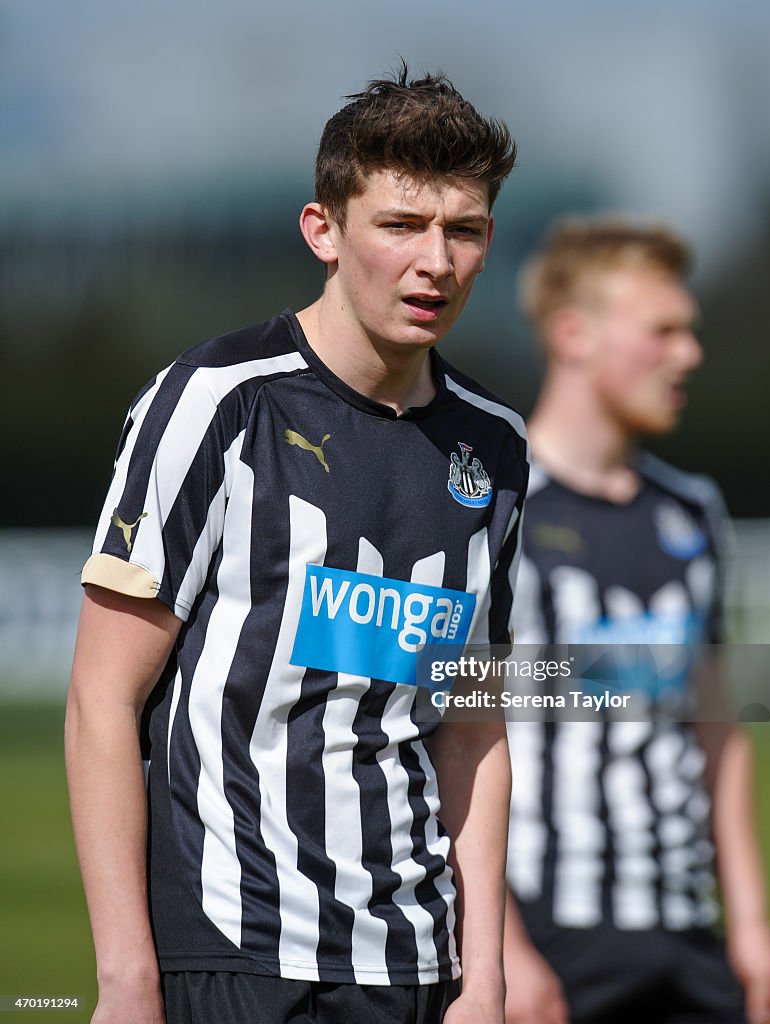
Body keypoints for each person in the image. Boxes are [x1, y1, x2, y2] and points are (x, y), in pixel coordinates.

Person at [65, 66, 528, 1024]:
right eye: (401, 225)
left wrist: (483, 973)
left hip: (417, 966)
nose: (434, 261)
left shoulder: (497, 447)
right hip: (235, 952)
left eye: (464, 229)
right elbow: (101, 697)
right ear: (324, 230)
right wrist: (125, 978)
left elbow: (474, 728)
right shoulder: (216, 404)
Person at [503, 219, 770, 1024]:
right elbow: (440, 733)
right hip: (548, 933)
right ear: (575, 335)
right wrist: (500, 946)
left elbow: (719, 724)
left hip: (686, 930)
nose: (688, 354)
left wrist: (754, 925)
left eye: (691, 331)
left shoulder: (693, 509)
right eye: (663, 330)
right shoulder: (494, 506)